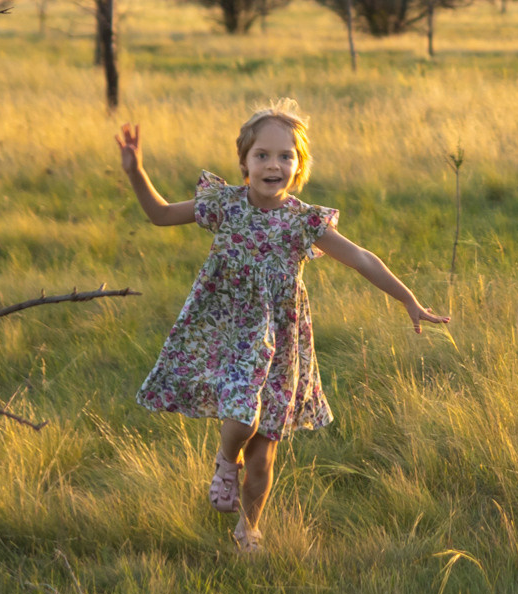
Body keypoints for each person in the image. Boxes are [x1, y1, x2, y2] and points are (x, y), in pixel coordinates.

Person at [120, 100, 449, 552]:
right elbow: (159, 215)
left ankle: (249, 529)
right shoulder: (225, 206)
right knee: (243, 411)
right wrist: (136, 171)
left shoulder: (302, 222)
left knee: (264, 455)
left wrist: (409, 301)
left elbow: (360, 258)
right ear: (244, 163)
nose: (274, 164)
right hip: (230, 333)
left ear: (299, 167)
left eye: (285, 156)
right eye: (262, 155)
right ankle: (223, 460)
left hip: (282, 343)